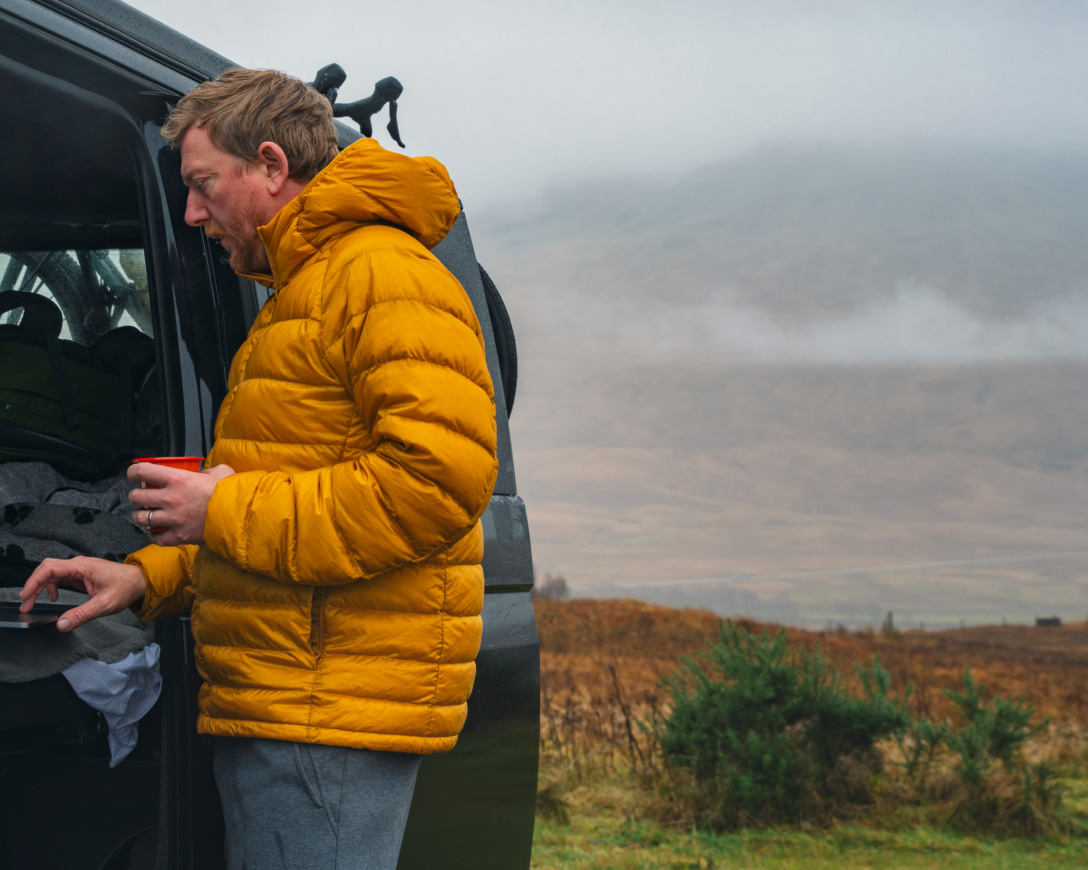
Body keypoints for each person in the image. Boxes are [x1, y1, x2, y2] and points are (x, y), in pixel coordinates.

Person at [19, 67, 498, 869]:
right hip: (286, 695)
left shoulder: (379, 275)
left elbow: (437, 482)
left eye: (204, 184)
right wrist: (144, 579)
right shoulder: (302, 291)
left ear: (272, 166)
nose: (191, 213)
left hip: (326, 711)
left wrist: (224, 509)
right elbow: (267, 508)